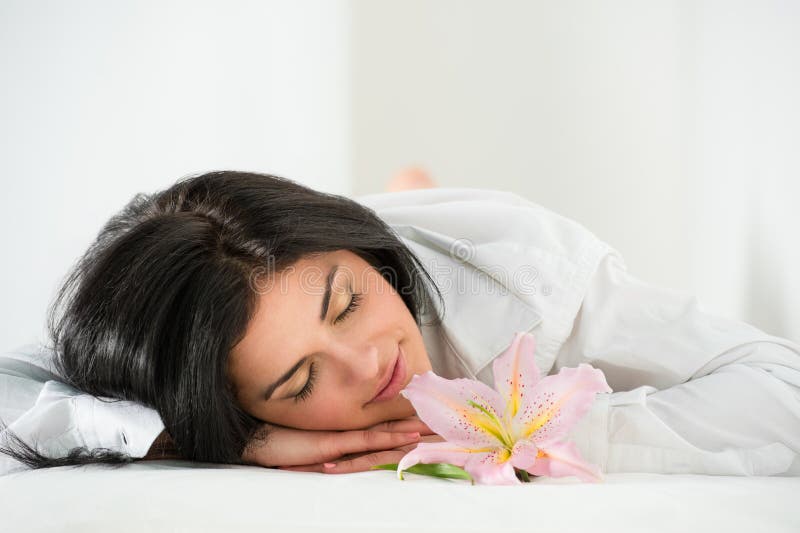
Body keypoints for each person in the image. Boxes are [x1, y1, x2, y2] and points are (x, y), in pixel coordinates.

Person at [1, 170, 799, 477]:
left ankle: (404, 185)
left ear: (359, 253)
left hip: (428, 231)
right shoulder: (189, 354)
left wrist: (517, 432)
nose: (370, 362)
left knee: (412, 188)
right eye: (301, 379)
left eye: (345, 302)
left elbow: (782, 384)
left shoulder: (527, 275)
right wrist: (220, 439)